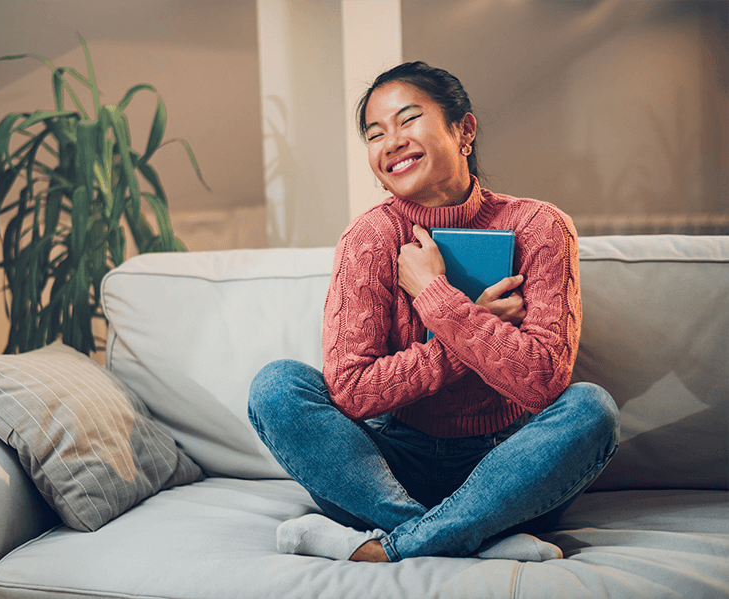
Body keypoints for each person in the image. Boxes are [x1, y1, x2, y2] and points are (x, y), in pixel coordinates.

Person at [247, 62, 620, 563]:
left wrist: (434, 296)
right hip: (392, 464)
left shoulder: (540, 227)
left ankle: (392, 545)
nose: (390, 142)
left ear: (463, 130)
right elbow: (353, 391)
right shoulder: (371, 238)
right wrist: (465, 327)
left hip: (507, 464)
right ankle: (465, 536)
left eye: (407, 120)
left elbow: (542, 381)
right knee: (276, 386)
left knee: (593, 409)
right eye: (375, 134)